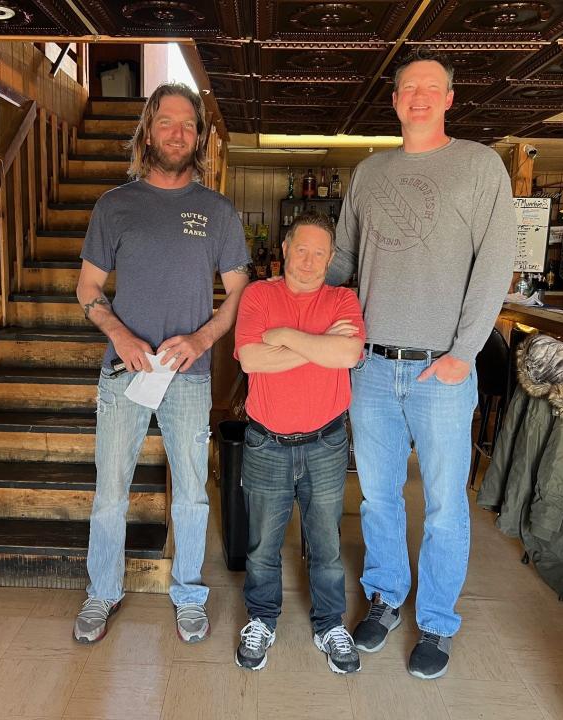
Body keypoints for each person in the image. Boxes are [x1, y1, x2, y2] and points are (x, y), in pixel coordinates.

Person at [326, 47, 517, 680]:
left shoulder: (480, 166)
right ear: (395, 98)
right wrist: (301, 304)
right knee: (378, 498)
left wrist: (464, 355)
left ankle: (435, 621)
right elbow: (343, 267)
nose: (420, 97)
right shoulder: (369, 172)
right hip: (373, 369)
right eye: (410, 87)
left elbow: (494, 266)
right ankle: (385, 597)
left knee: (443, 505)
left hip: (443, 371)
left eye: (432, 88)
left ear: (449, 99)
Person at [73, 83, 249, 644]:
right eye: (167, 122)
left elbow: (239, 296)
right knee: (110, 493)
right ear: (148, 130)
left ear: (198, 136)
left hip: (189, 378)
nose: (178, 134)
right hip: (126, 373)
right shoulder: (115, 205)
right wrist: (120, 333)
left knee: (194, 494)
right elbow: (87, 288)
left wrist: (201, 339)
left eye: (188, 125)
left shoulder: (217, 210)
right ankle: (102, 591)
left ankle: (190, 594)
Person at [233, 213, 365, 673]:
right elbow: (251, 360)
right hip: (266, 442)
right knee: (262, 545)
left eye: (320, 253)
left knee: (327, 543)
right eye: (301, 250)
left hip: (326, 443)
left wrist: (286, 337)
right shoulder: (258, 294)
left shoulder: (343, 298)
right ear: (285, 249)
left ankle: (330, 625)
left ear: (331, 259)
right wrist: (318, 344)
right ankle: (262, 620)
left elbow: (347, 354)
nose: (309, 261)